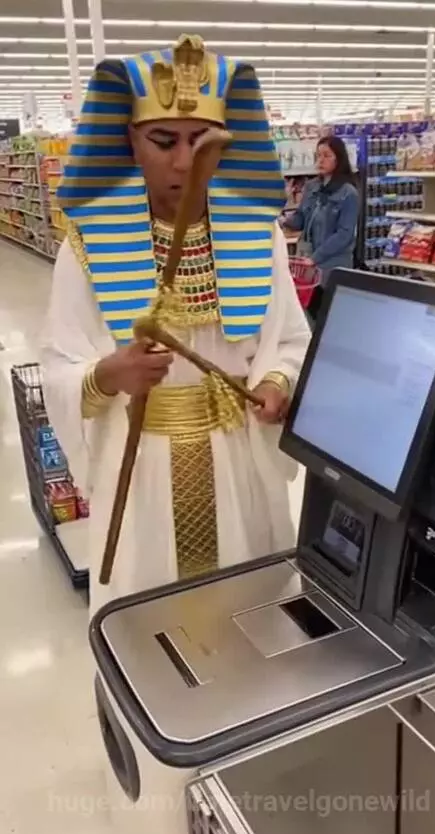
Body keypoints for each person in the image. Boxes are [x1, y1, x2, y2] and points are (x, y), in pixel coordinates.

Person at [40, 34, 311, 617]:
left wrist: (274, 383)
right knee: (152, 618)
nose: (186, 163)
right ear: (131, 140)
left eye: (202, 144)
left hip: (238, 455)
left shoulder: (256, 233)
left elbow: (289, 337)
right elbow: (59, 364)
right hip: (141, 470)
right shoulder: (87, 242)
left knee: (250, 607)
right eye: (164, 141)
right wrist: (109, 374)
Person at [283, 134, 359, 321]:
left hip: (332, 265)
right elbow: (301, 218)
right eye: (318, 155)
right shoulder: (311, 187)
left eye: (326, 155)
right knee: (308, 314)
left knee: (330, 316)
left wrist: (316, 258)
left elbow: (345, 234)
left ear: (338, 159)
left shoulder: (348, 193)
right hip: (308, 266)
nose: (321, 160)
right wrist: (281, 218)